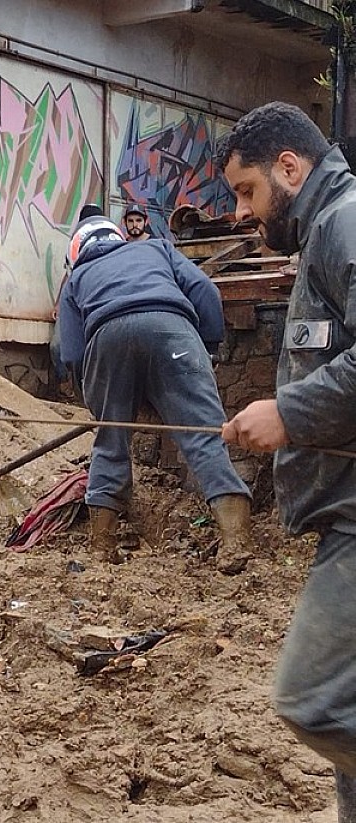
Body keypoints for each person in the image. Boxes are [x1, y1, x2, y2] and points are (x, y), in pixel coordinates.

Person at [217, 101, 356, 815]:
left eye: (247, 191)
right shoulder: (325, 234)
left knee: (312, 701)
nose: (241, 213)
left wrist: (290, 413)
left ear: (290, 167)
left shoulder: (344, 222)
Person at [57, 214, 252, 567]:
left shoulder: (77, 278)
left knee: (110, 442)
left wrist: (97, 395)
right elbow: (206, 291)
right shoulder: (157, 248)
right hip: (173, 329)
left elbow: (69, 351)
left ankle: (101, 548)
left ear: (77, 252)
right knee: (206, 435)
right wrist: (206, 345)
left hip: (108, 338)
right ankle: (235, 542)